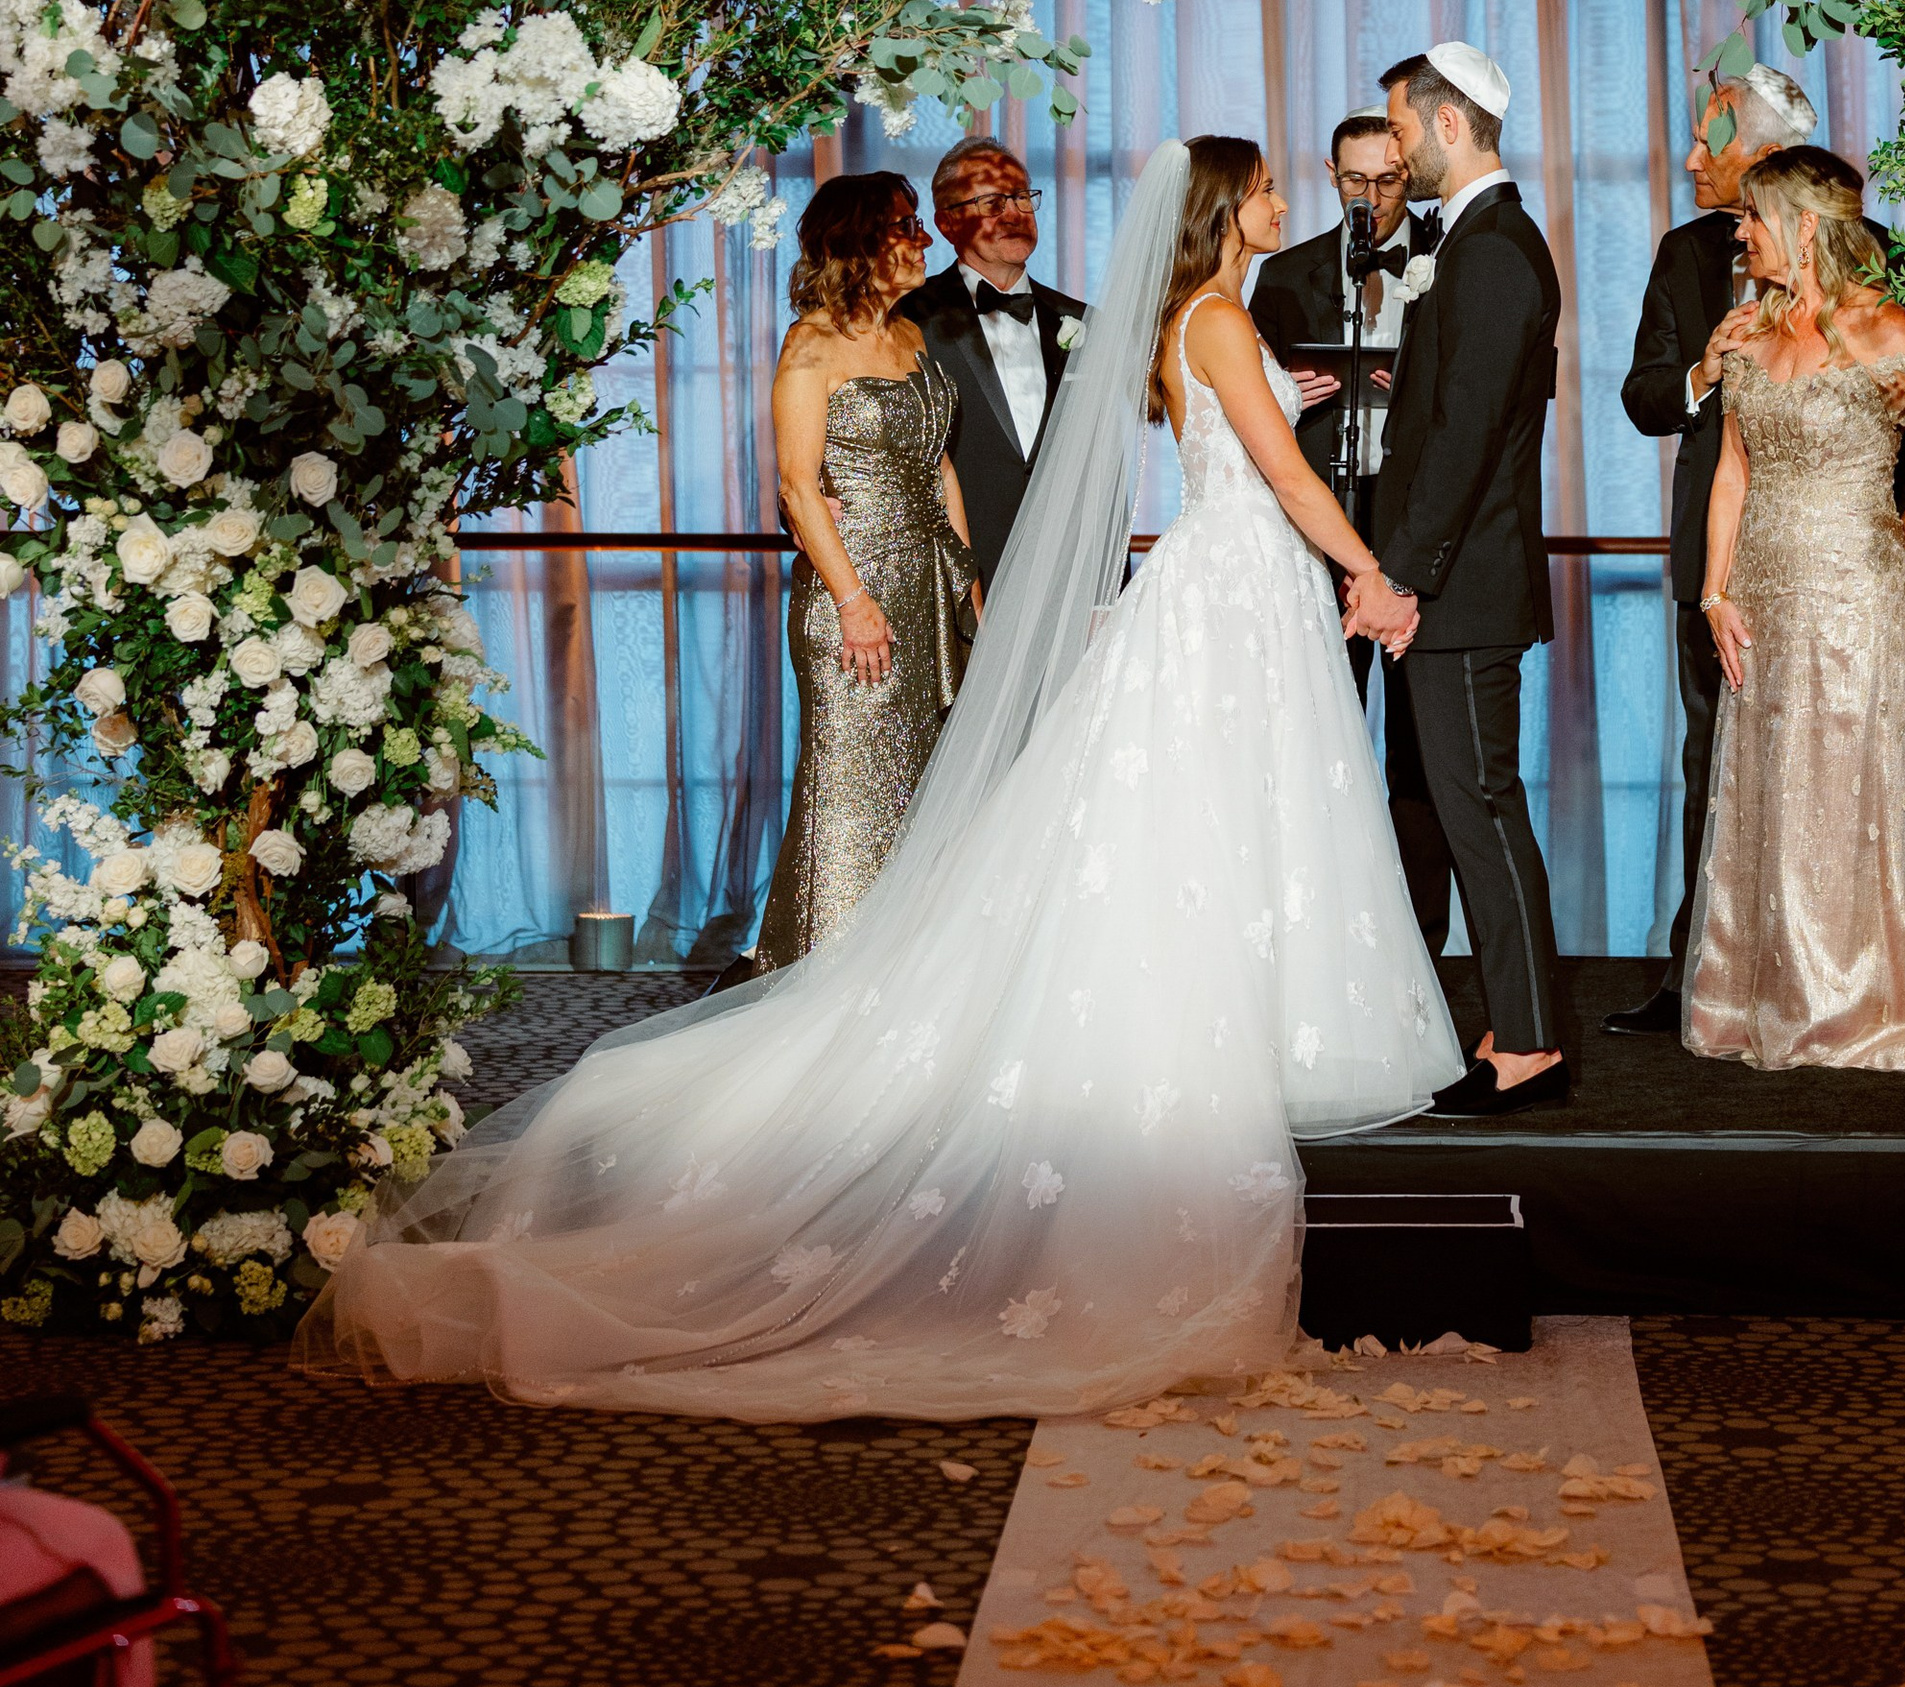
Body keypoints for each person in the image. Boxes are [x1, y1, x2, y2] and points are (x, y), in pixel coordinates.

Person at [297, 136, 1462, 1420]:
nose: (1286, 202)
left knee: (1181, 823)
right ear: (1224, 210)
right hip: (1209, 583)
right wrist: (1370, 569)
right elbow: (1277, 474)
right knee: (1176, 823)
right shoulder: (1209, 318)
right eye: (1266, 191)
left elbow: (1204, 438)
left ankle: (1221, 1013)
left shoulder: (1179, 319)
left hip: (1164, 584)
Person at [1685, 146, 1905, 1073]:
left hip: (1855, 597)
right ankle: (1754, 997)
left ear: (1804, 227)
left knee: (1844, 798)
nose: (1740, 231)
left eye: (1753, 218)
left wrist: (1892, 546)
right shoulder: (1749, 332)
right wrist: (1714, 593)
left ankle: (1854, 1006)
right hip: (1760, 597)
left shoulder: (1881, 332)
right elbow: (1731, 472)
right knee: (1768, 796)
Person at [1352, 42, 1569, 1117]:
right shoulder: (1483, 243)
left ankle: (1529, 1044)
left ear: (1445, 125)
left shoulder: (1490, 253)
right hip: (1461, 580)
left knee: (1479, 805)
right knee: (1472, 803)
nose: (1390, 152)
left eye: (1396, 129)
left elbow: (1466, 438)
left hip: (1462, 585)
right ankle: (1515, 1020)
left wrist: (1401, 576)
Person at [1608, 61, 1820, 1038]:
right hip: (1716, 558)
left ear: (1768, 154)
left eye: (1710, 141)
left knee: (1827, 763)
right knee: (1714, 764)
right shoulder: (1686, 252)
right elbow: (1643, 395)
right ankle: (1699, 975)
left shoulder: (1875, 254)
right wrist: (1700, 370)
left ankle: (1823, 974)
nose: (1691, 159)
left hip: (1831, 556)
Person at [755, 171, 979, 970]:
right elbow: (796, 485)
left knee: (921, 790)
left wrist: (968, 589)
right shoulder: (811, 344)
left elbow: (941, 469)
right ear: (857, 242)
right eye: (905, 227)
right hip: (855, 596)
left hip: (927, 586)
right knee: (849, 793)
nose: (924, 240)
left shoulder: (912, 335)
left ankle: (907, 975)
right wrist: (853, 600)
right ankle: (823, 980)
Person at [1250, 108, 1454, 947]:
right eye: (1353, 180)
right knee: (1313, 733)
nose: (1369, 196)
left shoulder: (1446, 265)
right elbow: (1249, 414)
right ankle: (1320, 940)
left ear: (1412, 174)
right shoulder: (1288, 273)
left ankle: (1420, 943)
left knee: (1419, 749)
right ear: (1329, 175)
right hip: (1320, 525)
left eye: (1387, 178)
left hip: (1409, 524)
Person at [897, 137, 1085, 592]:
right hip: (955, 574)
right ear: (947, 223)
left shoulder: (1084, 321)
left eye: (1022, 196)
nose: (1014, 213)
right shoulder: (907, 319)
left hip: (1070, 568)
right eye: (992, 202)